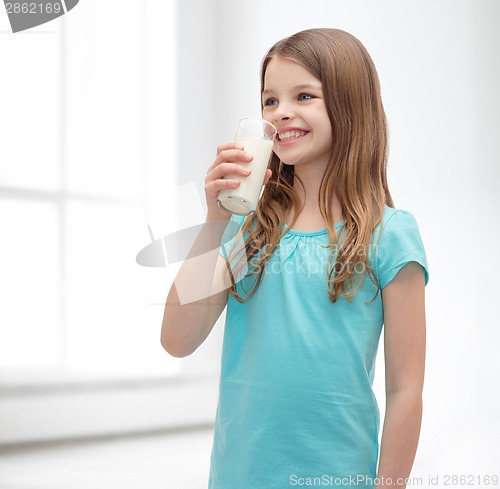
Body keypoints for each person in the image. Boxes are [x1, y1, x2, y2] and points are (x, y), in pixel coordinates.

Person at [161, 28, 429, 489]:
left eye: (303, 95)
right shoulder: (247, 229)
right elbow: (177, 341)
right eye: (269, 101)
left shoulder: (390, 234)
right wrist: (213, 223)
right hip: (239, 476)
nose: (280, 111)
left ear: (349, 105)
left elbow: (406, 390)